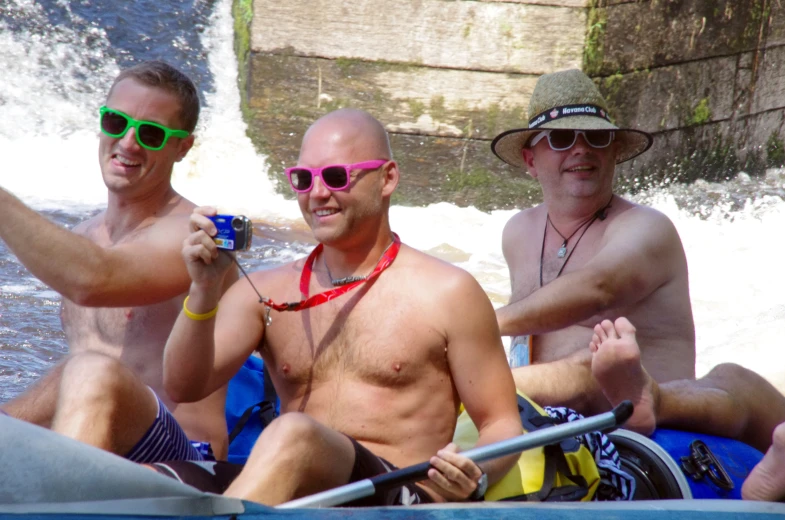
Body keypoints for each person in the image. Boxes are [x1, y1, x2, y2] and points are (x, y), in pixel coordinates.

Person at [161, 108, 523, 505]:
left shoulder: (449, 292)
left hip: (399, 495)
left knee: (294, 434)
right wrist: (203, 289)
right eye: (303, 179)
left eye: (336, 177)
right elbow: (183, 386)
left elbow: (501, 422)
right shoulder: (264, 290)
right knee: (148, 479)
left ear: (388, 178)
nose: (316, 193)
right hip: (289, 480)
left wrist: (476, 476)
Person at [0, 60, 237, 462]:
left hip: (182, 459)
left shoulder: (192, 236)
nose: (128, 143)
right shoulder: (83, 237)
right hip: (96, 443)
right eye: (115, 122)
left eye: (150, 133)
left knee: (92, 368)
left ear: (183, 147)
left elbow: (93, 280)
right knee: (81, 368)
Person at [490, 68, 695, 414]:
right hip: (536, 417)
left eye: (596, 138)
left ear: (614, 152)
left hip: (637, 428)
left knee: (590, 361)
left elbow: (598, 288)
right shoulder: (518, 232)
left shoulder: (648, 227)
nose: (581, 149)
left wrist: (477, 326)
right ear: (531, 161)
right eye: (561, 139)